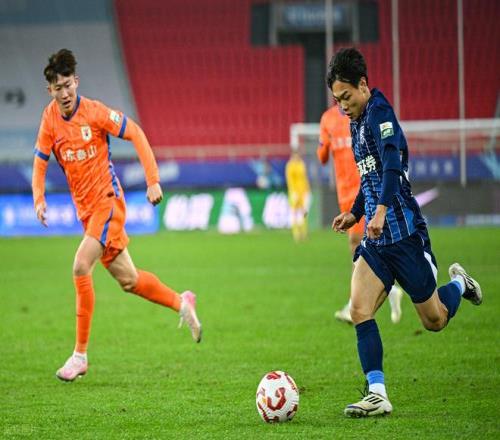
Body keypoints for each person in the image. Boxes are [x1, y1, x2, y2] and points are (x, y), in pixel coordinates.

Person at [327, 48, 482, 417]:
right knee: (359, 309)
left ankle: (459, 284)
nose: (342, 106)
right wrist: (355, 214)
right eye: (337, 100)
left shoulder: (380, 113)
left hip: (405, 235)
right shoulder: (354, 123)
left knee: (435, 320)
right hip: (377, 239)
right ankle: (377, 393)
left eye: (346, 96)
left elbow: (393, 166)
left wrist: (380, 211)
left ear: (363, 85)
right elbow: (369, 177)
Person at [32, 49, 202, 382]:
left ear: (76, 81)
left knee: (81, 265)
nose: (64, 93)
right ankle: (182, 302)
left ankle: (79, 356)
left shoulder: (95, 112)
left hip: (107, 203)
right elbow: (40, 161)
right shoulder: (49, 119)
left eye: (68, 85)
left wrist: (152, 180)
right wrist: (39, 198)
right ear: (49, 90)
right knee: (130, 281)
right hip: (87, 212)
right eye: (57, 88)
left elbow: (135, 131)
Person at [317, 105, 403, 324]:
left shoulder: (360, 113)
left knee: (358, 244)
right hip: (344, 192)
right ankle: (389, 290)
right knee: (361, 246)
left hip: (364, 190)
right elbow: (322, 157)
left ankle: (356, 303)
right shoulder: (327, 119)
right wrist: (324, 145)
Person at [285, 150, 311, 241]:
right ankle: (296, 233)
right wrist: (293, 191)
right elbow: (289, 180)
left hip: (303, 191)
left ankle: (304, 232)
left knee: (304, 212)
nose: (296, 157)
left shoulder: (301, 164)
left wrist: (307, 189)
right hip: (294, 192)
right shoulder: (290, 166)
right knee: (294, 212)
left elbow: (304, 177)